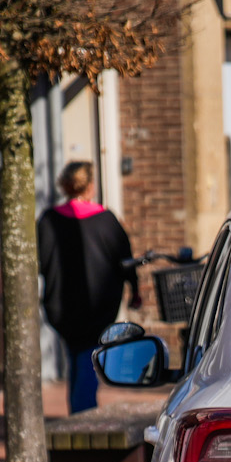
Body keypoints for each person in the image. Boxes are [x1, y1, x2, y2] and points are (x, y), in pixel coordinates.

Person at [37, 161, 139, 414]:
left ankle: (79, 409)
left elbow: (39, 262)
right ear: (91, 186)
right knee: (87, 358)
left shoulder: (49, 220)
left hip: (62, 305)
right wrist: (135, 290)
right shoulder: (106, 220)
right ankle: (84, 414)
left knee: (77, 356)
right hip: (98, 305)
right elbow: (125, 261)